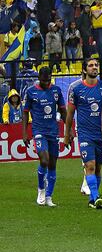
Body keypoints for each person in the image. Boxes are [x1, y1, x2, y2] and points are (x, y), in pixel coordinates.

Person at [64, 58, 102, 210]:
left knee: (99, 167)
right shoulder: (76, 88)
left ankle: (92, 199)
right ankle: (95, 197)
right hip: (84, 133)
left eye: (96, 65)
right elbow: (69, 114)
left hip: (100, 134)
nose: (94, 68)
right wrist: (67, 133)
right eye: (91, 65)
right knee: (90, 165)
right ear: (84, 70)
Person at [22, 65, 65, 207]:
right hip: (39, 130)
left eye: (49, 80)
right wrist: (24, 132)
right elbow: (25, 112)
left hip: (53, 131)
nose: (47, 83)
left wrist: (69, 130)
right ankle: (41, 189)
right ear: (39, 78)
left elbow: (63, 110)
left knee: (53, 164)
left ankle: (49, 196)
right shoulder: (31, 92)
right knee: (44, 160)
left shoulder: (56, 90)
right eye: (44, 81)